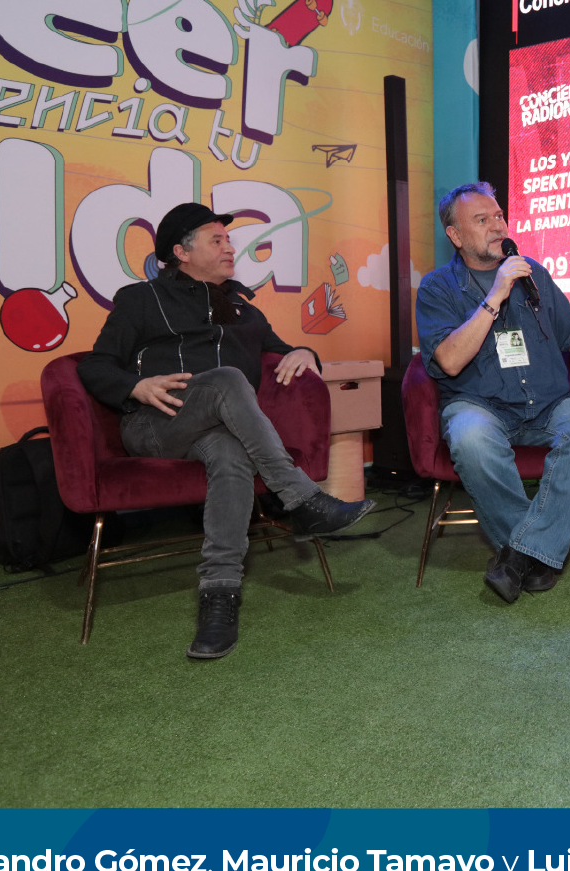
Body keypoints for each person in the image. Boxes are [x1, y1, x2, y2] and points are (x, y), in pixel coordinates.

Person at [78, 202, 375, 660]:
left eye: (228, 239)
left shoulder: (242, 309)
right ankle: (300, 498)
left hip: (216, 434)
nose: (229, 247)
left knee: (231, 453)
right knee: (228, 380)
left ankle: (219, 595)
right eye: (216, 240)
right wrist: (136, 386)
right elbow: (95, 365)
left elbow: (282, 349)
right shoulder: (142, 299)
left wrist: (304, 353)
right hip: (155, 427)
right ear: (180, 252)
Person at [415, 183, 570, 602]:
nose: (498, 226)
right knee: (470, 438)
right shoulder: (437, 288)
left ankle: (518, 557)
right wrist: (496, 294)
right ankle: (539, 553)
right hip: (480, 406)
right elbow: (449, 361)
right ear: (455, 236)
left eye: (499, 216)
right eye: (482, 220)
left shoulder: (534, 274)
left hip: (548, 405)